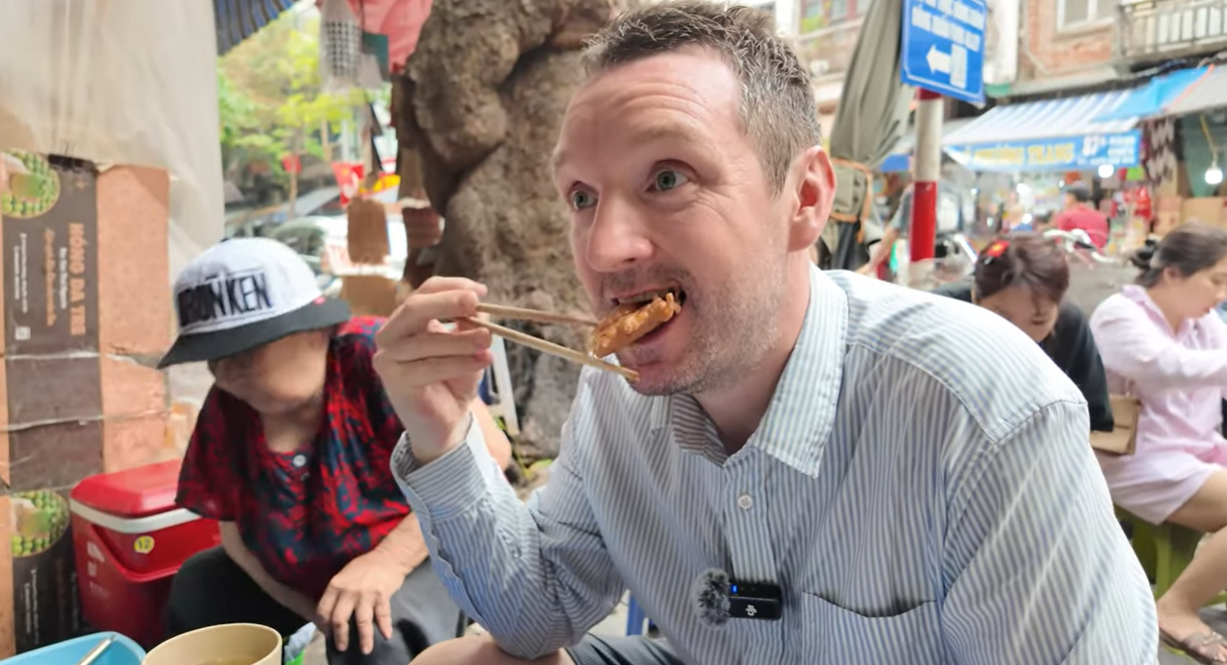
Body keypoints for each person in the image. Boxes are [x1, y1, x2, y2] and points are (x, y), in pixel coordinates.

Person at [377, 3, 1155, 664]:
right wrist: (442, 435)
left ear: (805, 197)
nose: (604, 247)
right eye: (581, 195)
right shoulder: (618, 399)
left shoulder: (981, 412)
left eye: (668, 177)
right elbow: (532, 609)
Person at [160, 238, 512, 665]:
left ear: (314, 331)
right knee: (198, 588)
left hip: (419, 555)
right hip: (303, 580)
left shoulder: (377, 357)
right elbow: (234, 533)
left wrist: (387, 562)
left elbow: (491, 452)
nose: (225, 372)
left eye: (243, 352)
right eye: (212, 358)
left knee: (372, 631)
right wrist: (311, 612)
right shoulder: (227, 405)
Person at [1090, 223, 1227, 662]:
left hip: (1197, 452)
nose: (1221, 295)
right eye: (1217, 280)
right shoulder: (1118, 315)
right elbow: (1168, 368)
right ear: (1172, 273)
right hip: (1133, 461)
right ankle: (1177, 607)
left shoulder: (1203, 324)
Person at [934, 235, 1114, 432]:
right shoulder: (942, 314)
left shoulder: (1069, 325)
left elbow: (1094, 420)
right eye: (1002, 318)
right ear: (976, 298)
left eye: (1039, 320)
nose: (1020, 335)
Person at [1055, 183, 1109, 249]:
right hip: (1099, 256)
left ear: (1071, 197)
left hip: (1076, 256)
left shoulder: (1066, 216)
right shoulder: (1101, 216)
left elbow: (1061, 242)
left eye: (1066, 196)